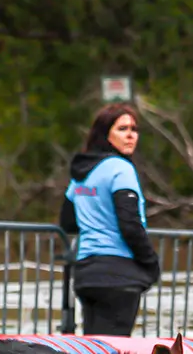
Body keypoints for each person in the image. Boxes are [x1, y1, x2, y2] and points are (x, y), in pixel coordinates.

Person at [61, 102, 161, 337]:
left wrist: (95, 218)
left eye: (134, 129)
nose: (130, 135)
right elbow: (130, 223)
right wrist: (151, 263)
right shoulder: (121, 168)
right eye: (122, 129)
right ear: (105, 134)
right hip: (118, 275)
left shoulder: (82, 173)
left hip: (87, 274)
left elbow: (67, 221)